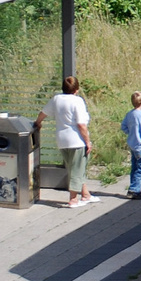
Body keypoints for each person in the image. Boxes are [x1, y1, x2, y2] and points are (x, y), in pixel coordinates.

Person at [37, 76, 94, 208]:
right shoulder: (77, 101)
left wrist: (37, 123)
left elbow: (43, 113)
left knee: (74, 168)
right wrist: (88, 141)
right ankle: (73, 199)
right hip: (77, 140)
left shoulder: (57, 99)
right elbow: (81, 125)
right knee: (77, 169)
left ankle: (86, 195)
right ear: (77, 89)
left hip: (62, 139)